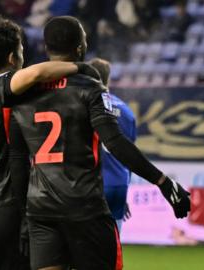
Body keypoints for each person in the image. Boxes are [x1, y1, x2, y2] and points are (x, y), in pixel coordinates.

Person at [10, 16, 190, 270]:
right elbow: (115, 142)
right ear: (80, 48)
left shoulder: (23, 92)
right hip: (84, 207)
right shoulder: (90, 87)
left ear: (47, 48)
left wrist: (23, 218)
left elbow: (17, 161)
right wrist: (162, 181)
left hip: (41, 209)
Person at [0, 18, 95, 270]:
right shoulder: (0, 86)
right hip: (2, 209)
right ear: (11, 57)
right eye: (20, 52)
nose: (22, 58)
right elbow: (38, 72)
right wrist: (80, 68)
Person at [89, 58, 136, 232]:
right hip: (118, 184)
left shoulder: (85, 104)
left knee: (87, 246)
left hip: (92, 184)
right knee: (112, 244)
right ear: (108, 79)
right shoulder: (126, 111)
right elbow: (131, 157)